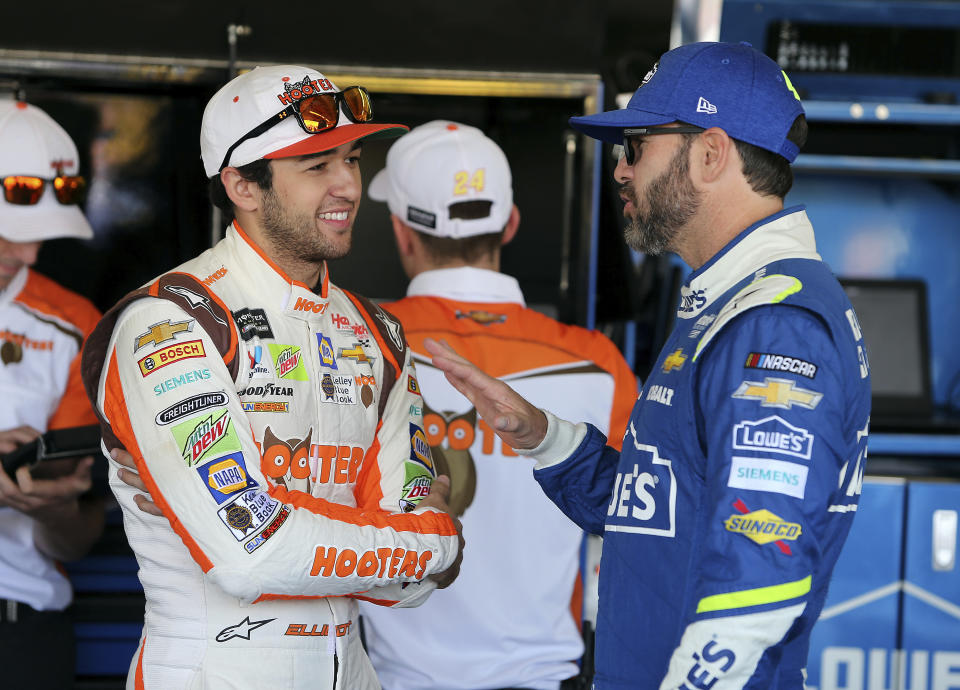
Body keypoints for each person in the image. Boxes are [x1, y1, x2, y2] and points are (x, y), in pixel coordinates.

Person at [424, 42, 871, 689]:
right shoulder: (727, 304)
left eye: (635, 145)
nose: (620, 170)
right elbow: (663, 514)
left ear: (711, 153)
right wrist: (541, 435)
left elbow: (758, 584)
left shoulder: (774, 324)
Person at [80, 65, 464, 690]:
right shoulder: (169, 322)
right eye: (316, 166)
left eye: (353, 158)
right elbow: (247, 553)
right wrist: (437, 538)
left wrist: (296, 523)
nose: (348, 185)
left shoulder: (379, 333)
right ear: (242, 185)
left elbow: (413, 586)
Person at [358, 120, 638, 690]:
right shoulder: (599, 364)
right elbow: (637, 528)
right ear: (509, 223)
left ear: (401, 231)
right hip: (546, 678)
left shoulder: (356, 344)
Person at [0, 100, 106, 689]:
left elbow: (77, 535)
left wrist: (56, 505)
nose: (32, 254)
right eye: (14, 231)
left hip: (25, 628)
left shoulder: (76, 323)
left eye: (45, 234)